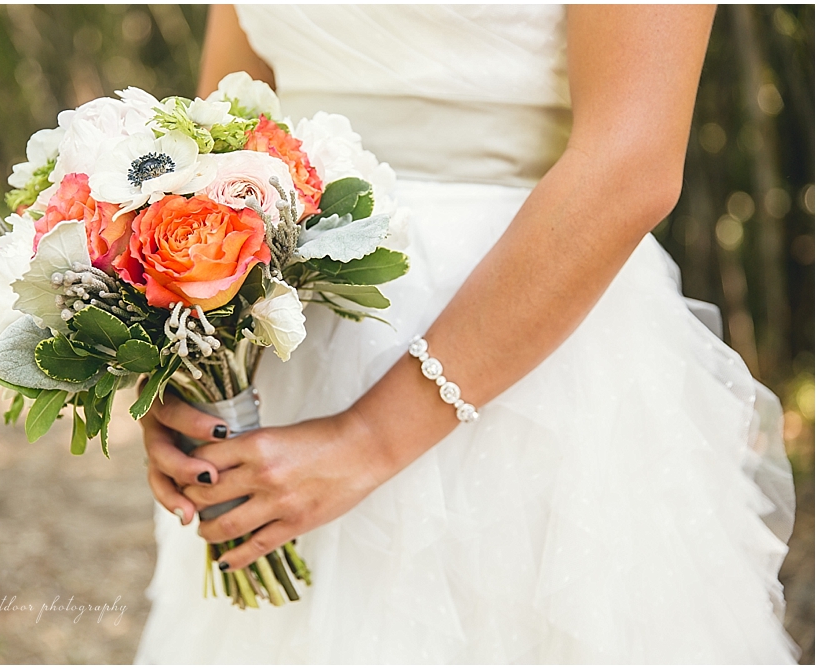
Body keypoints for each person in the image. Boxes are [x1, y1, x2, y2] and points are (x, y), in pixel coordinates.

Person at [133, 5, 798, 663]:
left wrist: (369, 437)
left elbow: (633, 163)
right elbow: (224, 122)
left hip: (527, 365)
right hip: (284, 355)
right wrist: (183, 354)